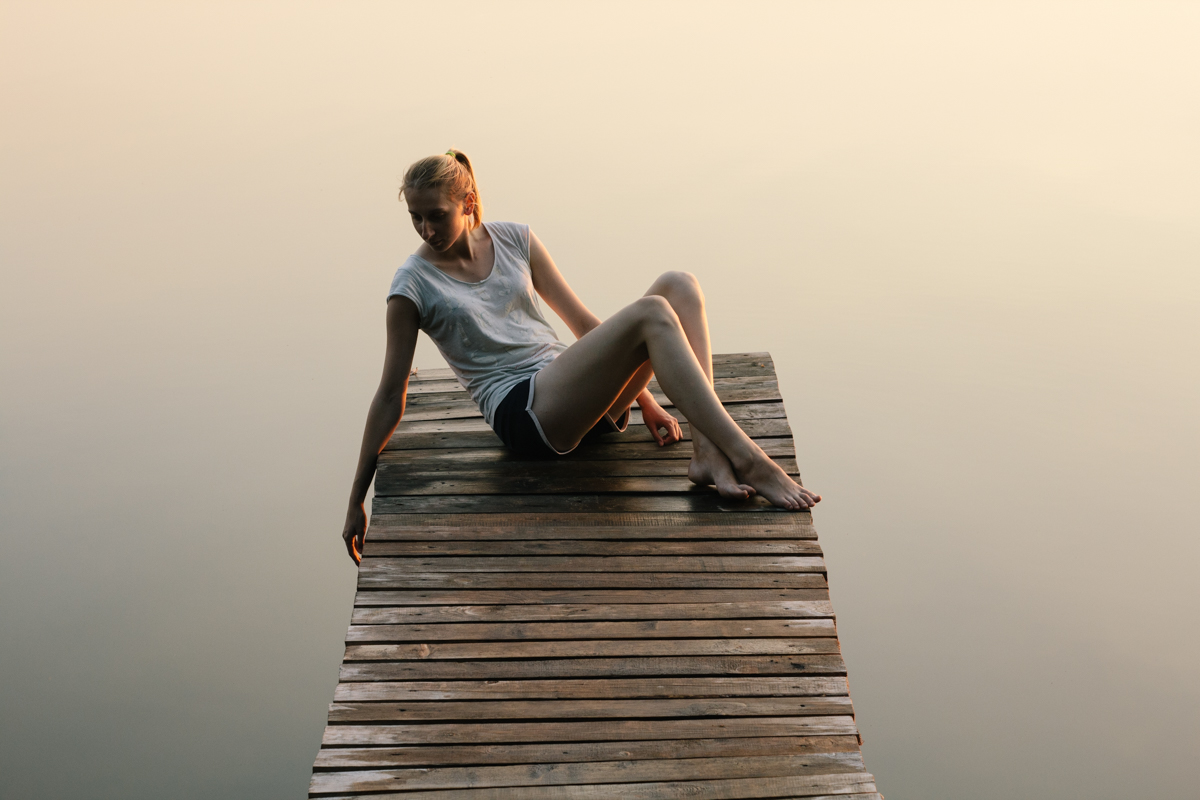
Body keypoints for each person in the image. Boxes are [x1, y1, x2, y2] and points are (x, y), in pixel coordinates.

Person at [340, 149, 820, 563]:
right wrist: (356, 499)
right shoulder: (411, 287)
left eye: (436, 215)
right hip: (524, 414)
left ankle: (707, 453)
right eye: (416, 218)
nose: (426, 229)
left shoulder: (514, 239)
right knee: (652, 312)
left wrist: (640, 400)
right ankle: (750, 460)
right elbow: (389, 394)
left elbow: (585, 327)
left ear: (467, 204)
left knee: (680, 286)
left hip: (573, 395)